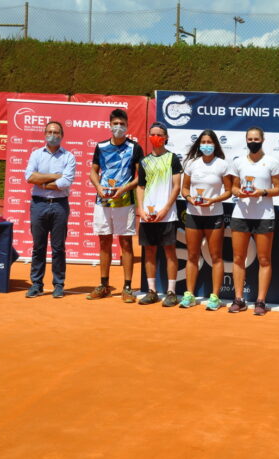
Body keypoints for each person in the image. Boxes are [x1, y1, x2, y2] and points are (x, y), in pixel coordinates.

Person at [87, 109, 143, 303]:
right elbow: (93, 172)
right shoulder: (101, 146)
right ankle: (103, 285)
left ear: (127, 125)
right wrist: (98, 186)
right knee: (104, 241)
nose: (118, 127)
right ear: (110, 125)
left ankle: (127, 287)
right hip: (103, 200)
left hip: (125, 201)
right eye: (115, 123)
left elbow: (140, 176)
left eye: (122, 124)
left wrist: (125, 188)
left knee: (126, 242)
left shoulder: (134, 147)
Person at [229, 126, 279, 316]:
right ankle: (239, 299)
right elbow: (233, 188)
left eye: (256, 139)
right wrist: (239, 192)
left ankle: (261, 301)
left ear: (262, 140)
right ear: (246, 140)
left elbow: (278, 189)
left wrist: (262, 192)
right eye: (249, 139)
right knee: (238, 258)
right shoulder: (238, 162)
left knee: (264, 259)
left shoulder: (272, 162)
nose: (253, 142)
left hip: (263, 215)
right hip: (241, 214)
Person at [179, 130, 232, 310]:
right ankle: (189, 295)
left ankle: (215, 297)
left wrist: (214, 200)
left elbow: (229, 190)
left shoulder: (222, 165)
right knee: (192, 255)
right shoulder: (192, 164)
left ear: (215, 144)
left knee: (216, 256)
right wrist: (190, 199)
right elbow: (184, 189)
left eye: (209, 141)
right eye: (203, 142)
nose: (206, 145)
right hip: (193, 215)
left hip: (214, 215)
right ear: (199, 144)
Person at [24, 121, 76, 299]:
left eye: (56, 132)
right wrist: (55, 177)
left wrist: (43, 181)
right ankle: (36, 284)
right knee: (38, 247)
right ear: (44, 134)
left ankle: (59, 285)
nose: (52, 135)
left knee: (58, 248)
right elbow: (30, 177)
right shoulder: (36, 154)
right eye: (49, 132)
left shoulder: (69, 157)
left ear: (62, 136)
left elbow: (66, 182)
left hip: (60, 205)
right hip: (38, 204)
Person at [136, 122, 183, 306]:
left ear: (166, 137)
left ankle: (171, 292)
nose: (155, 137)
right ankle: (152, 291)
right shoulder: (144, 161)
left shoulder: (172, 158)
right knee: (149, 252)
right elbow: (140, 187)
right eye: (152, 134)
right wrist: (141, 209)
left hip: (167, 215)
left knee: (170, 252)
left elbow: (176, 186)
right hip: (148, 215)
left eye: (159, 134)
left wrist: (165, 209)